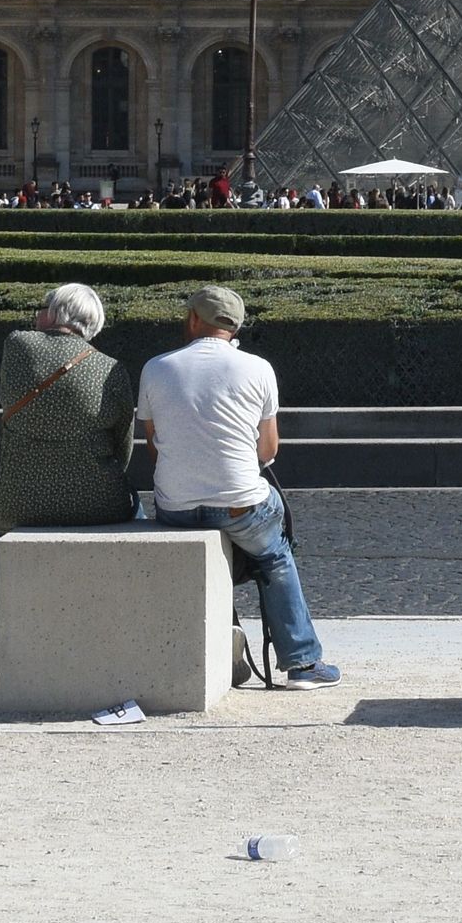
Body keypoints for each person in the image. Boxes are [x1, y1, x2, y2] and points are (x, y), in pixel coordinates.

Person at [136, 284, 340, 686]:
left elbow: (156, 449)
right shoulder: (259, 368)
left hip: (176, 507)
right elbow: (268, 451)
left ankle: (224, 647)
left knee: (210, 549)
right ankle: (302, 663)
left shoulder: (156, 367)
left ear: (194, 319)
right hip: (239, 505)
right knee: (275, 556)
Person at [0, 282, 138, 589]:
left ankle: (8, 602)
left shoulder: (17, 344)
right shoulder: (111, 369)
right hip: (97, 503)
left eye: (43, 307)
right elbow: (123, 448)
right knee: (136, 512)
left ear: (55, 313)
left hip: (15, 502)